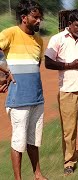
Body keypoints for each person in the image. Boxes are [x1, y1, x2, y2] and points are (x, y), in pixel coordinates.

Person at [45, 8, 78, 175]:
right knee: (69, 129)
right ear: (69, 24)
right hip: (68, 90)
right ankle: (69, 162)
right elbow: (47, 63)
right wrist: (70, 65)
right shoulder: (58, 39)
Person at [0, 0, 47, 179]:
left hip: (37, 98)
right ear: (24, 17)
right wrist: (4, 72)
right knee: (18, 142)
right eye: (35, 17)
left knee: (34, 141)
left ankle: (37, 174)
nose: (39, 21)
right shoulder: (10, 33)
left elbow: (36, 67)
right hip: (18, 100)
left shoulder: (39, 41)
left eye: (40, 18)